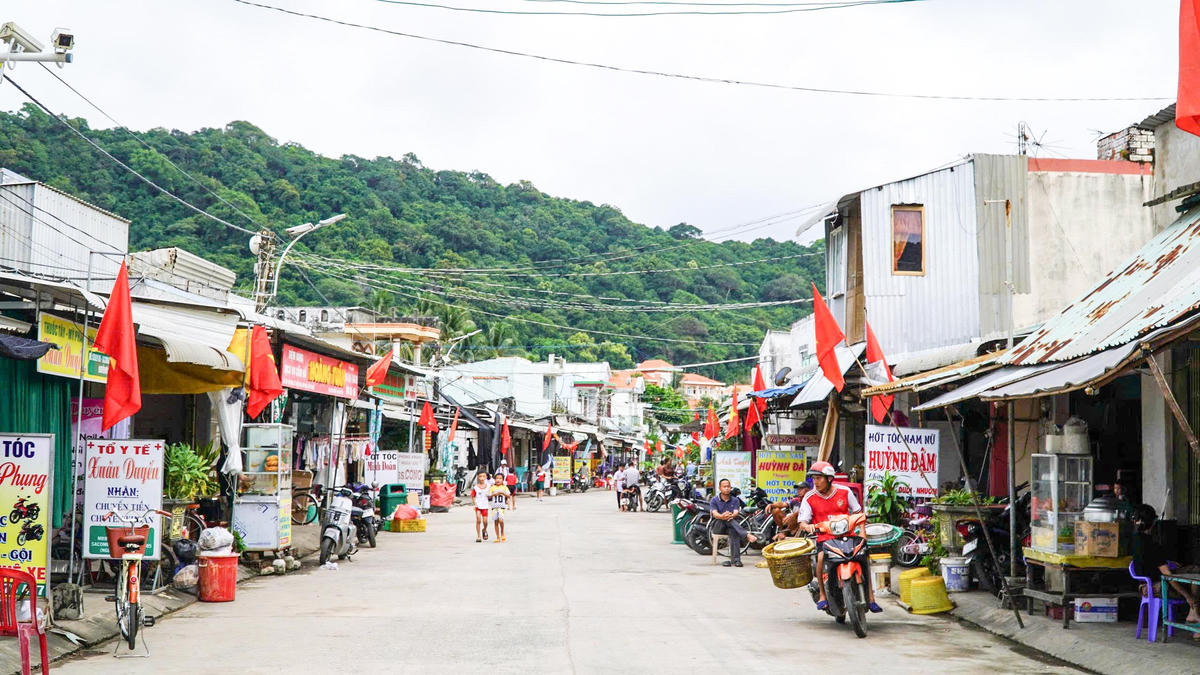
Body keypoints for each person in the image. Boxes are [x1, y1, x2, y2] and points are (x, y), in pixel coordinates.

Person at [799, 461, 882, 613]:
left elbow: (858, 513)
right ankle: (823, 596)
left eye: (819, 478)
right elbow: (802, 522)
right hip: (825, 538)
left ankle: (870, 598)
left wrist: (862, 532)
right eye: (814, 479)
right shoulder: (809, 497)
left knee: (864, 558)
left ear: (829, 478)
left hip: (848, 536)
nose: (815, 482)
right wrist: (807, 526)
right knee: (820, 558)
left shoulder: (844, 492)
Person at [1132, 504, 1200, 626]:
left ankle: (1193, 612)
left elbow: (1148, 562)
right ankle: (1194, 613)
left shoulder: (1135, 541)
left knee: (1195, 570)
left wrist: (1167, 563)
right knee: (1195, 583)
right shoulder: (1152, 545)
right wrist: (1187, 596)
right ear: (1152, 522)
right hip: (1157, 588)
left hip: (1144, 587)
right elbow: (1168, 575)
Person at [710, 478, 758, 566]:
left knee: (733, 530)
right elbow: (715, 514)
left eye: (728, 486)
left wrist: (730, 516)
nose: (727, 488)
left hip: (731, 525)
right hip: (718, 526)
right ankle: (746, 535)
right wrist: (722, 516)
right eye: (724, 487)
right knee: (728, 520)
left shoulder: (735, 500)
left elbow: (736, 512)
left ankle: (736, 560)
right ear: (720, 488)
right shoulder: (714, 500)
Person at [470, 472, 491, 542]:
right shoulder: (475, 487)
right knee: (478, 520)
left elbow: (490, 495)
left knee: (485, 521)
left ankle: (484, 529)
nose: (482, 478)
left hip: (485, 506)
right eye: (480, 476)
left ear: (486, 477)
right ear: (478, 477)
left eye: (483, 476)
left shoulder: (488, 486)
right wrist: (474, 504)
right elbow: (472, 496)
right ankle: (478, 536)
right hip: (478, 506)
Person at [489, 475, 511, 542]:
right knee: (496, 522)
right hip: (494, 507)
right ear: (494, 480)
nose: (498, 480)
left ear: (503, 480)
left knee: (501, 520)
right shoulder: (492, 487)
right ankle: (497, 537)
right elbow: (489, 496)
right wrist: (493, 494)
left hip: (501, 507)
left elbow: (508, 495)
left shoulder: (504, 487)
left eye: (500, 478)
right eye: (497, 478)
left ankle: (502, 533)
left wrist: (502, 493)